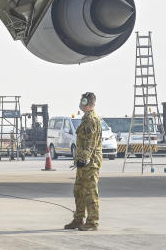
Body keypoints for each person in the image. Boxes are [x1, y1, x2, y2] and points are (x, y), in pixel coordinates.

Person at [66, 92, 102, 231]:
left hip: (90, 163)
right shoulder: (85, 119)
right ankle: (78, 219)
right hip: (82, 162)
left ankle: (93, 222)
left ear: (88, 103)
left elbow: (91, 142)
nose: (81, 103)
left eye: (83, 101)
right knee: (79, 191)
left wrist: (85, 158)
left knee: (90, 192)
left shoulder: (92, 120)